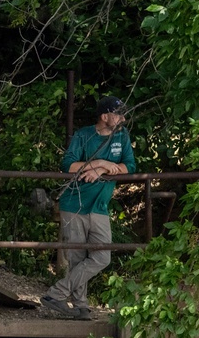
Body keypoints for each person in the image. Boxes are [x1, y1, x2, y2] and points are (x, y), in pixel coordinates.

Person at [41, 95, 136, 320]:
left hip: (100, 206)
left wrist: (101, 171)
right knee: (77, 257)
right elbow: (68, 165)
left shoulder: (121, 135)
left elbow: (129, 166)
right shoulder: (83, 135)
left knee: (103, 257)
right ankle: (81, 307)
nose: (123, 118)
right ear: (105, 116)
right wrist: (102, 163)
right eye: (118, 113)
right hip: (74, 203)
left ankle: (55, 294)